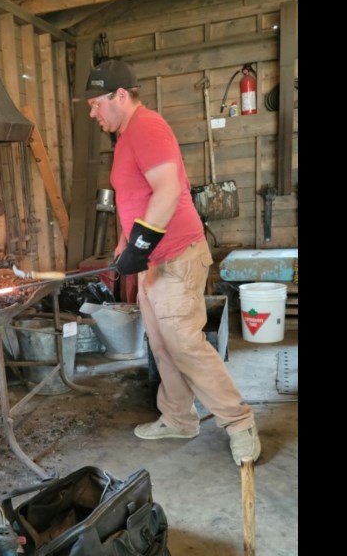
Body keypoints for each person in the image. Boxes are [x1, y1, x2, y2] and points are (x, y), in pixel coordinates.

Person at [82, 59, 260, 465]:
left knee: (185, 343)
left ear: (120, 96)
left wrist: (139, 246)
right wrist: (127, 241)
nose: (93, 113)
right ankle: (179, 417)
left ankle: (239, 422)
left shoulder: (146, 127)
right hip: (154, 261)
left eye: (96, 104)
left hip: (176, 254)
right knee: (162, 344)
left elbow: (166, 191)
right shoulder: (126, 136)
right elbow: (138, 196)